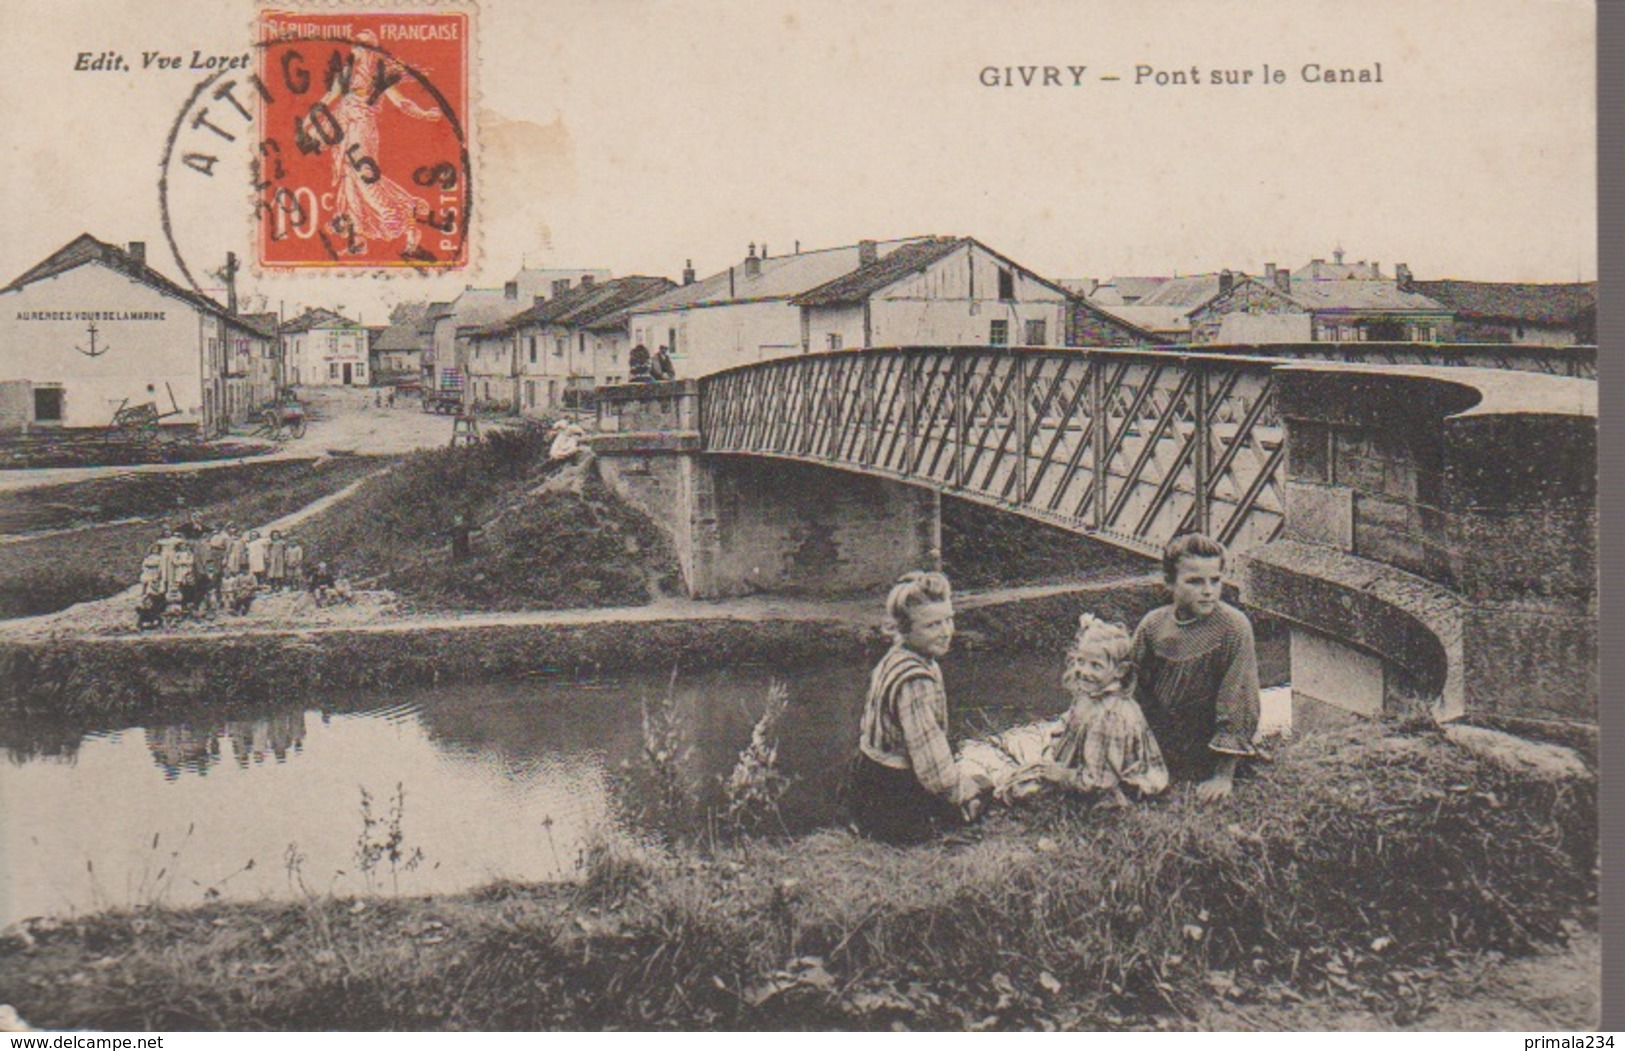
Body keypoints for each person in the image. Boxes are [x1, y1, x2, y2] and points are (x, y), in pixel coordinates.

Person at [842, 571, 991, 844]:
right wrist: (963, 792)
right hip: (892, 794)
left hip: (865, 781)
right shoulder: (916, 680)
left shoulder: (896, 657)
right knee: (983, 789)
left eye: (949, 620)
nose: (946, 632)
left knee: (976, 784)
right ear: (905, 629)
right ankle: (922, 832)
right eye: (933, 625)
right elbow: (932, 767)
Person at [1130, 533, 1261, 803]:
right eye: (1194, 582)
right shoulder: (1153, 625)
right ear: (1169, 583)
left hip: (1207, 750)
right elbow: (1131, 689)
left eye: (1216, 580)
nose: (1208, 591)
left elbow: (1237, 700)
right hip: (1158, 745)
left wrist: (1223, 776)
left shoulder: (1233, 627)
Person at [306, 29, 443, 256]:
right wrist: (310, 121)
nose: (361, 50)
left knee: (365, 179)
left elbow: (401, 102)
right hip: (344, 127)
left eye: (366, 45)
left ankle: (408, 223)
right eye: (357, 45)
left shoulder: (379, 75)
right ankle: (359, 238)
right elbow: (329, 98)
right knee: (347, 179)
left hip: (363, 129)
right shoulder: (346, 72)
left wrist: (424, 114)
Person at [1032, 615, 1169, 804]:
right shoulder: (1089, 695)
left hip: (1117, 787)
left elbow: (1099, 782)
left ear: (1120, 671)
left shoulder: (1109, 715)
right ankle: (984, 789)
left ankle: (983, 794)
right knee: (1029, 774)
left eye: (1096, 665)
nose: (1084, 672)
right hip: (1091, 772)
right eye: (1081, 661)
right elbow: (1066, 726)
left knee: (1024, 789)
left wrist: (1064, 775)